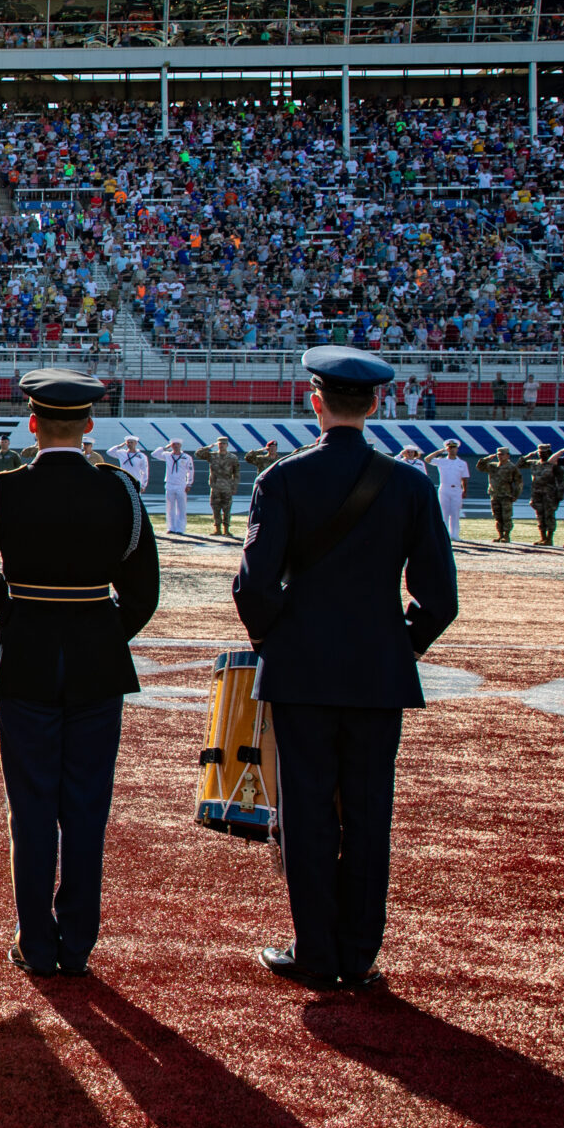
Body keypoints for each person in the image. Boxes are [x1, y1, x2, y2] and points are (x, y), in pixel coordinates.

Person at [235, 348, 457, 991]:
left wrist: (279, 639)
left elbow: (254, 588)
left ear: (315, 401)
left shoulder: (281, 479)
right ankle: (359, 952)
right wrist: (400, 646)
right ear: (377, 404)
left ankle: (315, 950)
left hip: (301, 673)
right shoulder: (411, 485)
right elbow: (439, 597)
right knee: (367, 811)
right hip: (377, 674)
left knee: (305, 812)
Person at [0, 368, 162, 978]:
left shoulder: (4, 490)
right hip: (97, 664)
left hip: (26, 661)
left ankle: (36, 942)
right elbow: (143, 595)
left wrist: (20, 605)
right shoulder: (119, 490)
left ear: (33, 423)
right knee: (87, 806)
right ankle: (78, 943)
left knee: (33, 805)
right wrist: (97, 631)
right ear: (89, 425)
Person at [430, 440, 470, 541]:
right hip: (444, 489)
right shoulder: (441, 461)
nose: (452, 450)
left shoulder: (462, 463)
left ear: (457, 449)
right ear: (447, 449)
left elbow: (464, 478)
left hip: (456, 489)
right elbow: (427, 459)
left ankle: (455, 535)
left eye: (454, 447)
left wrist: (464, 490)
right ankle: (444, 534)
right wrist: (439, 451)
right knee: (444, 513)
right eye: (450, 448)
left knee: (455, 513)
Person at [483, 447, 523, 542]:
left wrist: (515, 495)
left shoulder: (512, 467)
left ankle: (506, 535)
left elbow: (518, 482)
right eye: (498, 454)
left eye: (502, 454)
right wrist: (488, 458)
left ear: (507, 455)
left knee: (506, 516)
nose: (499, 456)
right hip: (495, 494)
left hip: (506, 495)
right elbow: (480, 466)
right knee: (497, 516)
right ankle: (500, 535)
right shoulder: (493, 466)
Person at [528, 443, 564, 545]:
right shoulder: (535, 463)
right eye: (539, 453)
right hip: (537, 494)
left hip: (550, 495)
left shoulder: (554, 465)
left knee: (549, 516)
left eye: (543, 453)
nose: (541, 455)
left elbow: (561, 480)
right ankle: (543, 537)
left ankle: (549, 538)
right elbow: (520, 464)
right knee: (540, 516)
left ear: (549, 453)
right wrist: (529, 455)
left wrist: (560, 494)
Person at [206, 438, 241, 536]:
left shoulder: (232, 457)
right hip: (215, 486)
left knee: (227, 509)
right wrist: (209, 447)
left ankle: (226, 529)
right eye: (220, 444)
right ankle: (217, 529)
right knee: (215, 508)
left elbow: (236, 473)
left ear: (227, 445)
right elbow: (198, 454)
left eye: (224, 444)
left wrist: (234, 486)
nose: (221, 445)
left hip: (227, 486)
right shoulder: (212, 456)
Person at [160, 440, 194, 536]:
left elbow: (190, 471)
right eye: (173, 444)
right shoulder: (167, 455)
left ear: (181, 445)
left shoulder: (186, 457)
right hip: (170, 484)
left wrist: (189, 483)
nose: (175, 446)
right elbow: (154, 454)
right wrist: (165, 448)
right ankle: (171, 527)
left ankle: (180, 528)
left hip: (181, 485)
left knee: (181, 508)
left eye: (177, 444)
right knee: (170, 507)